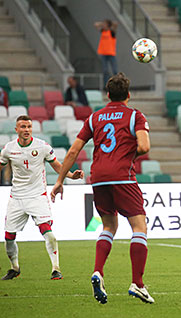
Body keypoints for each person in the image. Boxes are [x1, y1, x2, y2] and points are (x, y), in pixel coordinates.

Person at [50, 72, 154, 304]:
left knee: (108, 225)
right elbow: (144, 146)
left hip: (98, 177)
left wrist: (59, 180)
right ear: (128, 95)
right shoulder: (135, 115)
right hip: (123, 176)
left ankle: (98, 271)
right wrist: (127, 154)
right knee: (139, 226)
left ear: (107, 95)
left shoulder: (94, 117)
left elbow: (73, 151)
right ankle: (137, 283)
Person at [0, 115, 84, 280]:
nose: (26, 130)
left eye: (29, 127)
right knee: (9, 236)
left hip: (38, 195)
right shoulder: (9, 149)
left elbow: (58, 166)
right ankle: (14, 268)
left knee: (48, 232)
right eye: (23, 127)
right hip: (16, 197)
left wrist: (72, 176)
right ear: (16, 129)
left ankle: (56, 268)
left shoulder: (42, 147)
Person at [94, 19, 118, 88]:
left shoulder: (111, 32)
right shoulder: (103, 31)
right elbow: (95, 25)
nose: (103, 25)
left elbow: (115, 24)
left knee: (114, 70)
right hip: (103, 53)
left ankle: (116, 84)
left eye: (105, 24)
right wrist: (102, 24)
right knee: (105, 71)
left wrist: (109, 23)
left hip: (111, 53)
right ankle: (106, 86)